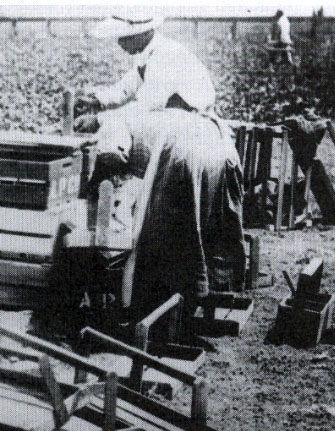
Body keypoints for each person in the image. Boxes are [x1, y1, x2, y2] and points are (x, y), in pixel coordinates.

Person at [91, 108, 247, 324]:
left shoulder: (112, 122)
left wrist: (93, 183)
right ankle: (197, 296)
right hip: (218, 147)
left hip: (183, 151)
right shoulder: (146, 115)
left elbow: (111, 155)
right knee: (204, 226)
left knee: (161, 232)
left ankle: (152, 308)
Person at [74, 15, 216, 133]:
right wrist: (98, 101)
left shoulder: (164, 56)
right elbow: (127, 87)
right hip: (176, 118)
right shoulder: (149, 52)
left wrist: (98, 120)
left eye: (124, 38)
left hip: (193, 124)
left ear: (143, 34)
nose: (120, 43)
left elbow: (144, 107)